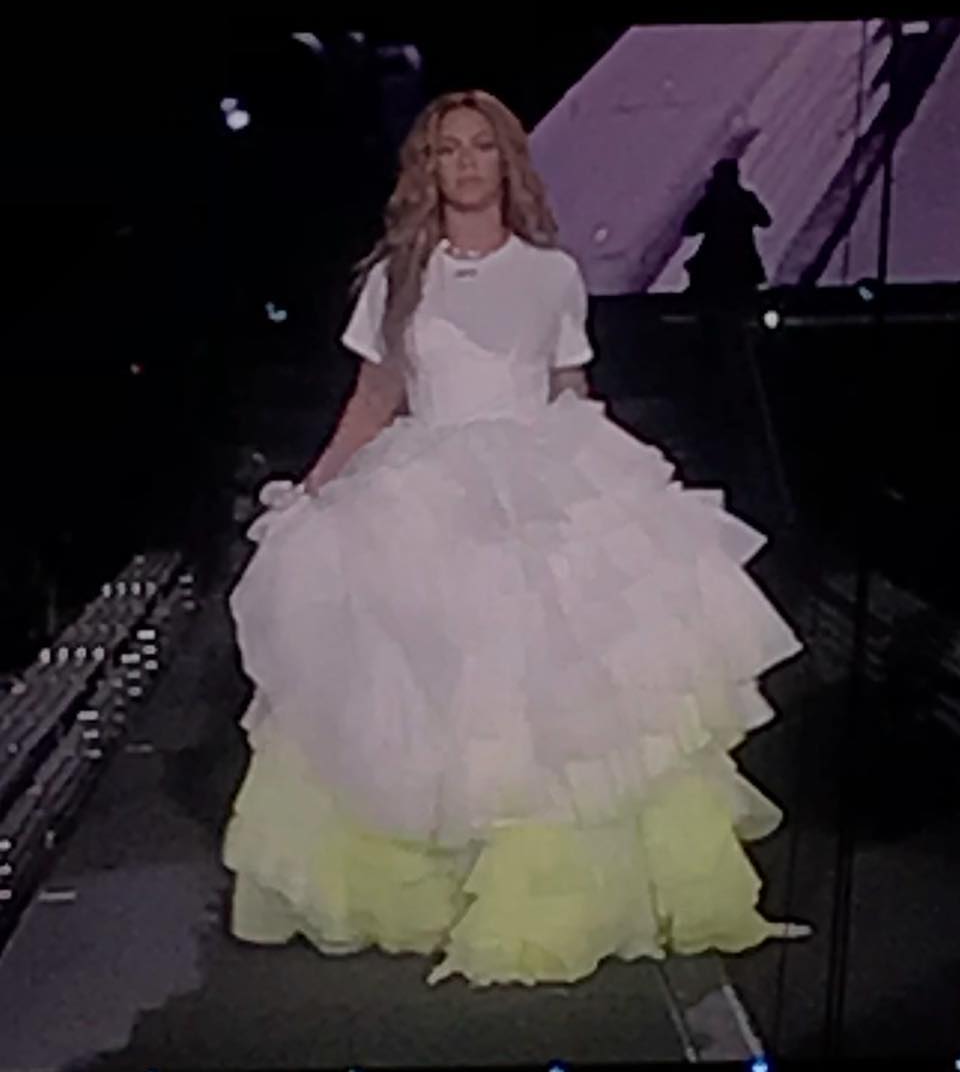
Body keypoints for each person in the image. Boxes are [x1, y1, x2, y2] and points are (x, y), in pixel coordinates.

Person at [221, 90, 809, 988]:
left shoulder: (551, 274)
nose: (465, 164)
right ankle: (439, 885)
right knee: (435, 686)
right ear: (427, 169)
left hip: (540, 482)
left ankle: (558, 894)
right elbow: (374, 399)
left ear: (507, 162)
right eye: (447, 150)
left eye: (480, 147)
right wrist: (310, 492)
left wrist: (608, 486)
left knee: (562, 695)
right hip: (424, 490)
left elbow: (571, 390)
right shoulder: (396, 278)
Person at [683, 157, 772, 305]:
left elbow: (689, 228)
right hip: (740, 260)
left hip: (718, 261)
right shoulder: (742, 198)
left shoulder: (712, 201)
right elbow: (765, 221)